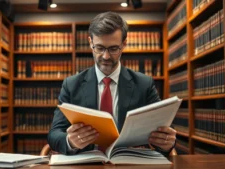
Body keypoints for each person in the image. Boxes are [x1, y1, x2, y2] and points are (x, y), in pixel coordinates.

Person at [47, 11, 176, 155]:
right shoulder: (71, 85)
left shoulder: (144, 84)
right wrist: (70, 141)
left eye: (113, 48)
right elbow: (54, 134)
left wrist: (166, 143)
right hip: (87, 164)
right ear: (90, 43)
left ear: (124, 44)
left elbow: (163, 132)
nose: (106, 56)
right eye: (100, 48)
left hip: (128, 163)